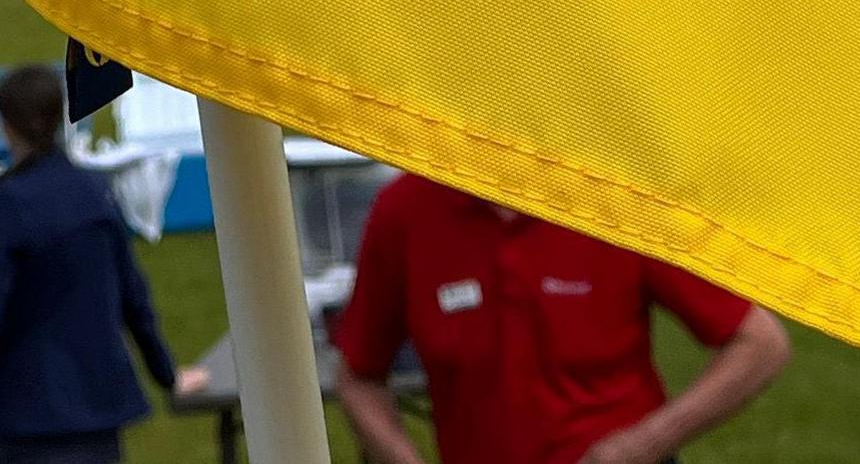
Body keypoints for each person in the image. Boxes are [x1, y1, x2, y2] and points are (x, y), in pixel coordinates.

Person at [332, 174, 791, 464]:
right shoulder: (405, 211)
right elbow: (358, 376)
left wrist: (643, 444)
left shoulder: (614, 203)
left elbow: (760, 344)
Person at [0, 62, 176, 464]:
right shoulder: (96, 194)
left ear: (6, 124)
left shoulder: (8, 205)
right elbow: (134, 298)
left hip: (30, 411)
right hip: (98, 405)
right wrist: (167, 374)